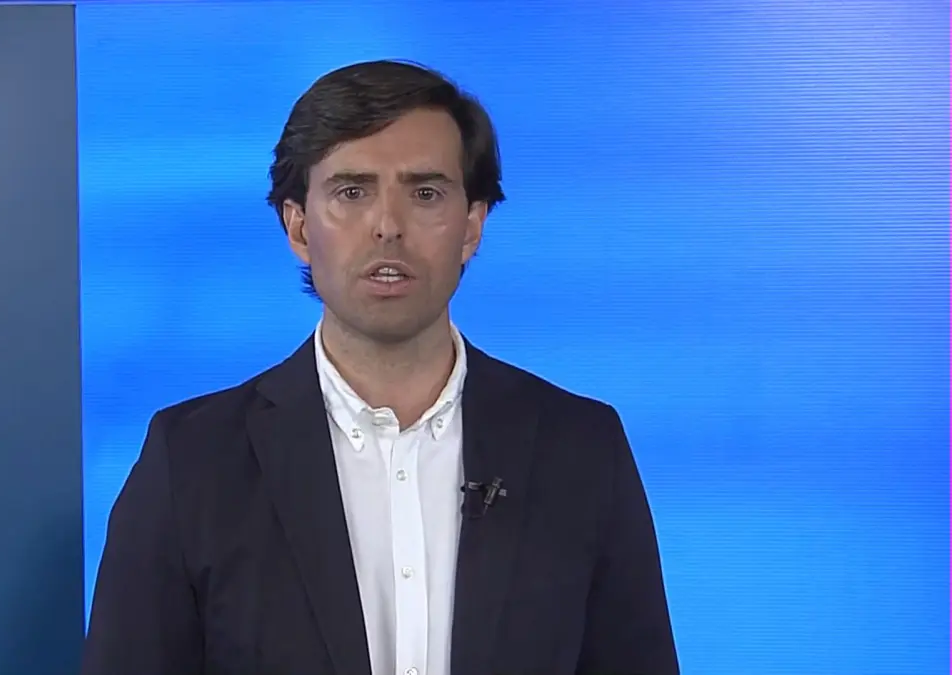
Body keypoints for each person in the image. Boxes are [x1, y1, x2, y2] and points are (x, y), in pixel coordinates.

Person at [81, 59, 679, 675]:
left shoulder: (580, 448)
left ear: (472, 226)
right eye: (352, 192)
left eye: (425, 193)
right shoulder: (192, 461)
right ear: (298, 227)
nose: (388, 226)